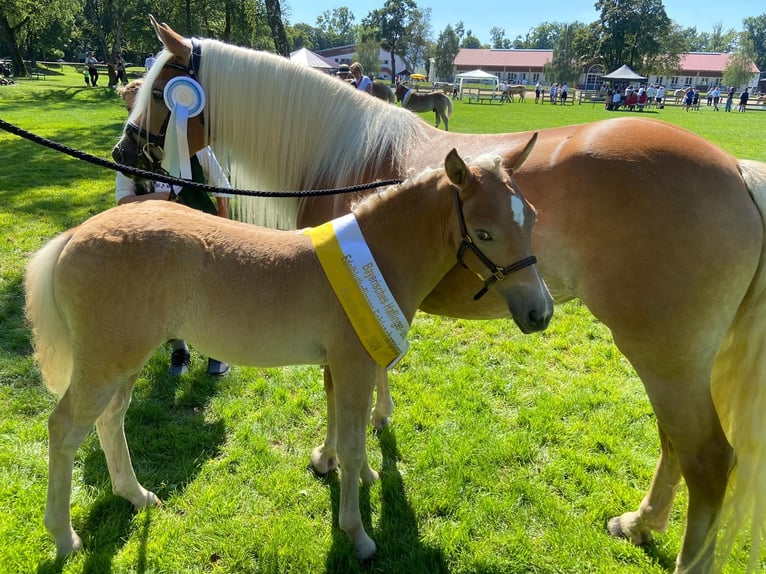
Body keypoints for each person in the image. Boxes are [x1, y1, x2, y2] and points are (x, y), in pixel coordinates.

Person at [115, 80, 232, 377]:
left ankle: (216, 350)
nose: (134, 118)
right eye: (129, 110)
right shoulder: (130, 154)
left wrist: (223, 226)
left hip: (200, 234)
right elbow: (123, 200)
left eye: (139, 110)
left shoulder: (190, 144)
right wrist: (162, 197)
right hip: (157, 237)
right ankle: (180, 349)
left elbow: (223, 186)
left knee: (208, 293)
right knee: (167, 295)